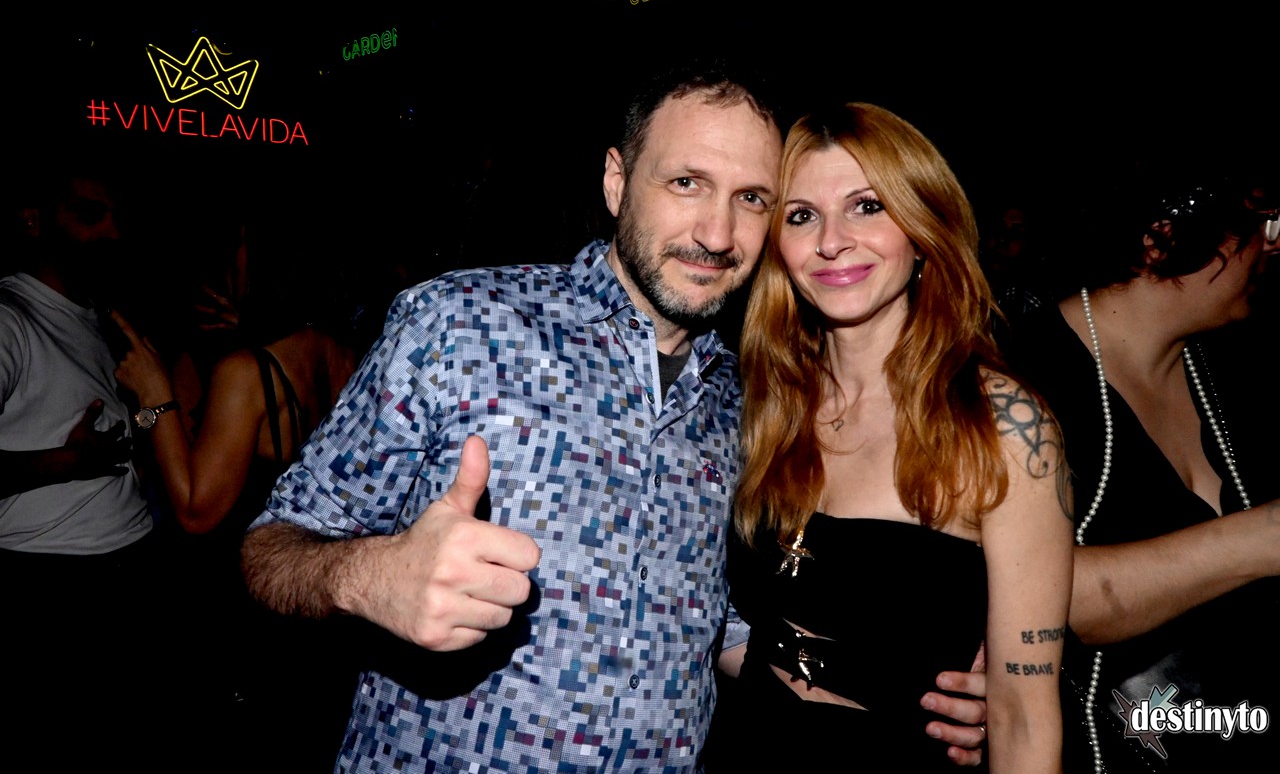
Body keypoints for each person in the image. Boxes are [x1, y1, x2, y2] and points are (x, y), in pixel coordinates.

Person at [239, 67, 989, 771]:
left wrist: (911, 684)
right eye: (687, 182)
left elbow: (716, 622)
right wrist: (369, 577)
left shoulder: (748, 400)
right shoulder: (460, 323)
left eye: (752, 198)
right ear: (616, 181)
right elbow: (270, 547)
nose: (717, 233)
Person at [723, 102, 1073, 772]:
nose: (832, 241)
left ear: (922, 228)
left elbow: (1026, 719)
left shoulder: (1001, 424)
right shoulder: (763, 402)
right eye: (801, 216)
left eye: (867, 207)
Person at [1001, 167, 1279, 772]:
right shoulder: (1020, 381)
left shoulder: (1238, 368)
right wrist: (1260, 540)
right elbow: (1042, 596)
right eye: (1264, 223)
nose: (1275, 245)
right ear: (1162, 239)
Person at [110, 217, 361, 770]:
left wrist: (152, 395)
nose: (231, 263)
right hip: (312, 603)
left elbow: (195, 511)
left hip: (247, 609)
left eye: (242, 247)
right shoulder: (347, 354)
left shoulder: (247, 371)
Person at [1, 174, 178, 766]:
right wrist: (62, 462)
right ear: (34, 221)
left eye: (116, 217)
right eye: (89, 214)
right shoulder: (10, 319)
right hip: (51, 587)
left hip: (128, 561)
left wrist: (158, 410)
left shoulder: (97, 314)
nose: (113, 232)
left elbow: (127, 433)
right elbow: (79, 453)